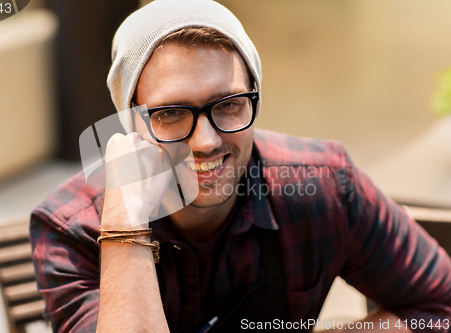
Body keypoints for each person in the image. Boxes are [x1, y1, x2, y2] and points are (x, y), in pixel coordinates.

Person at [30, 0, 451, 332]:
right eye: (172, 113)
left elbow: (439, 304)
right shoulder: (72, 228)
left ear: (254, 100)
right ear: (131, 125)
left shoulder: (324, 185)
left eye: (228, 105)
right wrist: (125, 227)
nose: (207, 141)